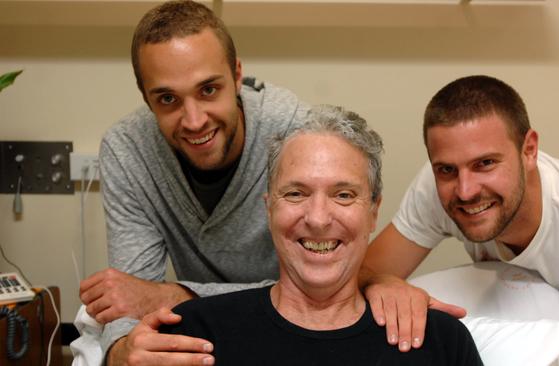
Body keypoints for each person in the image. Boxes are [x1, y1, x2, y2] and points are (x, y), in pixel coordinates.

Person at [74, 1, 434, 364]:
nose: (194, 120)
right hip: (209, 334)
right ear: (145, 98)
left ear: (236, 75)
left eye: (209, 90)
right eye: (167, 99)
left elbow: (324, 278)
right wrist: (119, 353)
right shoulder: (128, 151)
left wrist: (174, 294)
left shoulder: (294, 134)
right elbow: (128, 300)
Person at [158, 104, 483, 365]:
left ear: (373, 212)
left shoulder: (439, 342)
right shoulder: (193, 337)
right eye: (296, 193)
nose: (317, 218)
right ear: (269, 209)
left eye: (343, 195)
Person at [361, 75, 559, 365]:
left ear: (529, 151)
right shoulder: (439, 188)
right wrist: (383, 282)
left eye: (485, 164)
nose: (465, 190)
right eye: (446, 169)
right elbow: (362, 272)